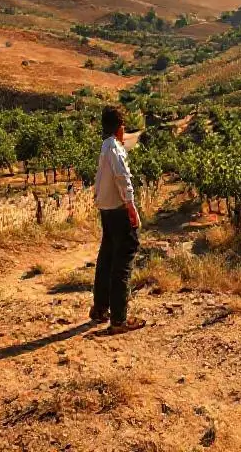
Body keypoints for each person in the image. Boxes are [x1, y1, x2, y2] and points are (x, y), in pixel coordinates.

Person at [90, 106, 145, 334]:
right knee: (123, 260)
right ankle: (119, 319)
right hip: (118, 210)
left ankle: (101, 308)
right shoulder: (115, 147)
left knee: (107, 257)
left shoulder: (104, 147)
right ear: (120, 127)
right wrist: (131, 207)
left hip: (107, 209)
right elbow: (122, 178)